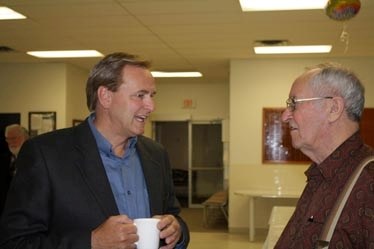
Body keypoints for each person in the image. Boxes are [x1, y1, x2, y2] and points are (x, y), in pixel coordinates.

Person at [0, 52, 190, 249]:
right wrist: (91, 242)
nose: (151, 106)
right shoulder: (46, 155)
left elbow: (172, 214)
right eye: (140, 95)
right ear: (105, 97)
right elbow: (14, 242)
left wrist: (177, 230)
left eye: (152, 96)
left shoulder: (156, 154)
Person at [275, 63, 374, 248]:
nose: (285, 115)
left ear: (333, 108)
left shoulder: (369, 181)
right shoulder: (320, 175)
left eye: (293, 104)